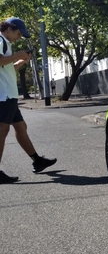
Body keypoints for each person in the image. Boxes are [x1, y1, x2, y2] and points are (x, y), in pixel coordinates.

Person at [0, 17, 57, 183]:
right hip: (4, 96)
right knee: (2, 131)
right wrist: (17, 54)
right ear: (9, 29)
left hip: (9, 96)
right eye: (18, 33)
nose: (19, 37)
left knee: (20, 127)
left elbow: (8, 69)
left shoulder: (6, 44)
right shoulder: (1, 41)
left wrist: (21, 61)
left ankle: (37, 161)